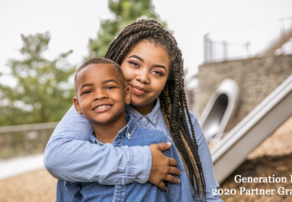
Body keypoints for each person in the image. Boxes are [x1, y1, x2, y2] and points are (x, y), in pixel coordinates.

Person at [44, 19, 222, 201]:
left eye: (157, 72)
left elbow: (208, 193)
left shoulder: (183, 123)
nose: (143, 77)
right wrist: (145, 163)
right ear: (118, 61)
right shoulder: (97, 110)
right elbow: (57, 158)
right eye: (135, 64)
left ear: (167, 80)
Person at [56, 57, 192, 202]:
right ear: (77, 105)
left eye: (109, 87)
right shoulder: (75, 161)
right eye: (88, 91)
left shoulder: (158, 142)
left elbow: (179, 196)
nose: (100, 95)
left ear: (126, 94)